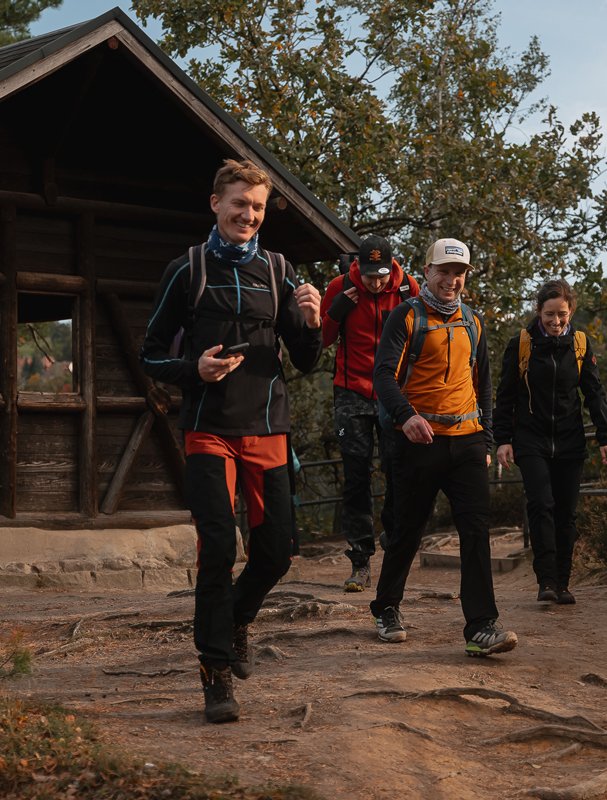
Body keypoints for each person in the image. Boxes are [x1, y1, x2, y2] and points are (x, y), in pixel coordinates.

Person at [140, 159, 323, 724]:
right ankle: (215, 675)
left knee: (276, 554)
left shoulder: (279, 270)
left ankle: (238, 618)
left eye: (258, 207)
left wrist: (313, 322)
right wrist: (193, 368)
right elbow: (149, 356)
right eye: (239, 203)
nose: (248, 214)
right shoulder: (186, 269)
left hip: (268, 428)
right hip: (209, 431)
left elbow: (307, 361)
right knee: (217, 550)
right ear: (215, 205)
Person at [369, 237, 519, 657]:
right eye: (444, 272)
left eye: (459, 273)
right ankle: (385, 608)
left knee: (475, 530)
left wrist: (486, 439)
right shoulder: (406, 317)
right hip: (419, 440)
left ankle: (482, 626)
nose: (451, 280)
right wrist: (406, 416)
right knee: (408, 529)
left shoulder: (473, 321)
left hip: (468, 440)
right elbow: (382, 376)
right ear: (428, 272)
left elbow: (484, 383)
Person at [494, 279, 607, 605]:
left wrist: (606, 436)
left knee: (567, 514)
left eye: (562, 314)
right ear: (538, 311)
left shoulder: (579, 344)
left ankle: (563, 583)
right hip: (530, 439)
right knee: (541, 506)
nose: (556, 320)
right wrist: (503, 439)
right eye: (549, 314)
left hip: (570, 440)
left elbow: (594, 392)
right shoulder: (520, 344)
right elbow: (505, 396)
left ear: (571, 311)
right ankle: (546, 580)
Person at [319, 235, 420, 592]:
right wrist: (337, 310)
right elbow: (325, 338)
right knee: (356, 474)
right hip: (351, 391)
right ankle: (360, 561)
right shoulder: (339, 285)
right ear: (357, 266)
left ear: (391, 266)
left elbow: (421, 340)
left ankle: (394, 551)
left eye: (380, 275)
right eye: (368, 275)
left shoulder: (409, 288)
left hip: (393, 392)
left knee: (397, 469)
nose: (374, 282)